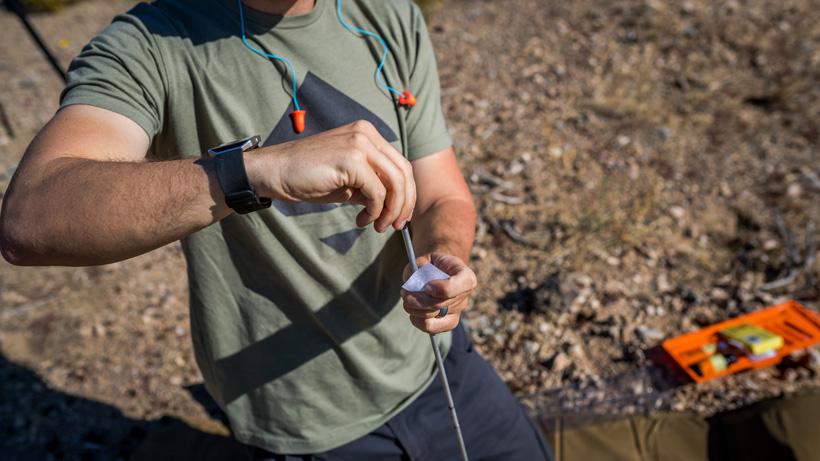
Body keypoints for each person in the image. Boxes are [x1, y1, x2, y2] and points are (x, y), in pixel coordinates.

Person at [0, 0, 552, 459]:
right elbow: (32, 218)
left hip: (441, 368)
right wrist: (256, 171)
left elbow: (442, 192)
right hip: (305, 424)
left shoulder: (385, 14)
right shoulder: (149, 43)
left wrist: (443, 259)